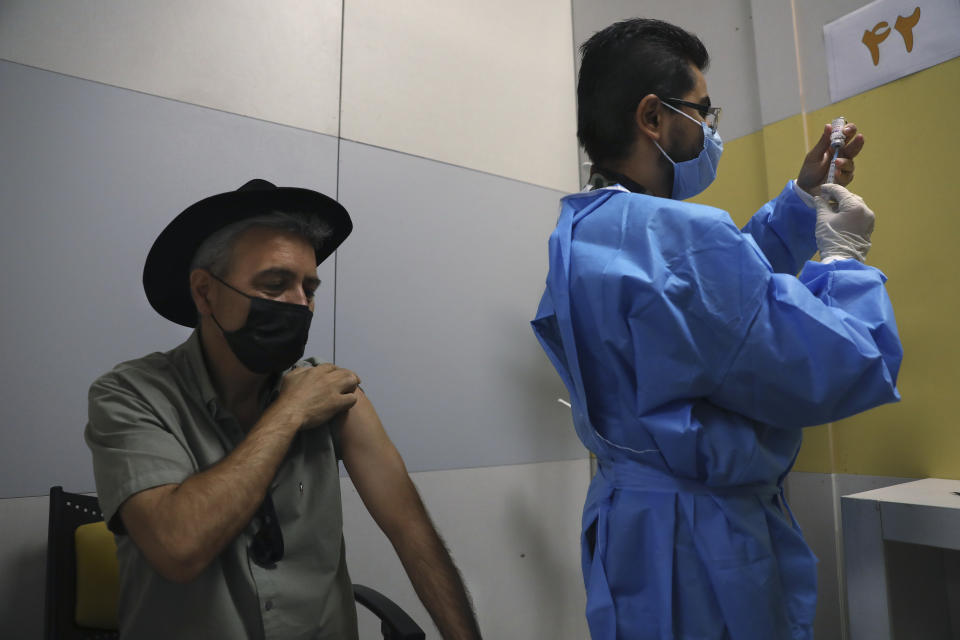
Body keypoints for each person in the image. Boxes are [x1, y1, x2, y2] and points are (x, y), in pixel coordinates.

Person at [531, 18, 902, 640]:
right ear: (653, 117)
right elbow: (839, 365)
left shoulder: (588, 228)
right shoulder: (679, 240)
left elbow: (705, 310)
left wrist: (801, 201)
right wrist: (843, 261)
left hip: (633, 526)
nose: (712, 130)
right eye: (704, 111)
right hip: (703, 543)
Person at [86, 179, 482, 640]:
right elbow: (179, 548)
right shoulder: (132, 395)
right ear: (204, 292)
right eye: (275, 285)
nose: (299, 304)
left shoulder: (332, 393)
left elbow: (412, 533)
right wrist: (289, 413)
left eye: (308, 288)